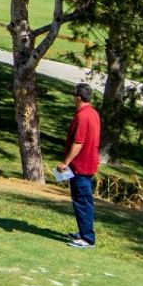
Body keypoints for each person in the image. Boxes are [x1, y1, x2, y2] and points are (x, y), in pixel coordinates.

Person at [58, 81, 101, 248]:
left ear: (78, 97)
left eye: (73, 95)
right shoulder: (93, 113)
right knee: (83, 200)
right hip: (89, 164)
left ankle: (87, 238)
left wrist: (65, 163)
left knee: (82, 201)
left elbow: (78, 142)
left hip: (81, 165)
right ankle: (83, 232)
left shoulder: (82, 116)